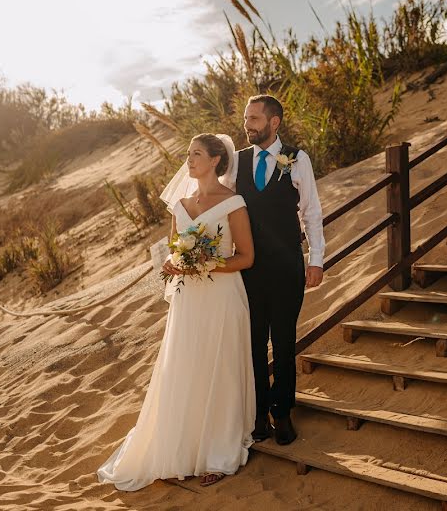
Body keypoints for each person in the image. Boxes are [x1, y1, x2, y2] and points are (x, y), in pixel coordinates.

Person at [97, 133, 255, 489]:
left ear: (216, 160)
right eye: (187, 154)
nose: (189, 160)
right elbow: (172, 250)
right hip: (188, 302)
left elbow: (246, 257)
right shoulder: (180, 205)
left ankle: (218, 453)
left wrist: (204, 263)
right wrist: (175, 262)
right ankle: (182, 450)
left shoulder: (233, 203)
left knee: (221, 368)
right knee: (186, 369)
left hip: (223, 298)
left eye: (196, 154)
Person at [228, 94, 325, 446]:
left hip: (287, 267)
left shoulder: (297, 159)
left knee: (283, 342)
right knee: (252, 342)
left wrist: (316, 260)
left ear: (274, 122)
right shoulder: (235, 162)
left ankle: (282, 413)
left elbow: (311, 212)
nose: (247, 125)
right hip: (247, 269)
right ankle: (257, 416)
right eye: (245, 118)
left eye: (253, 118)